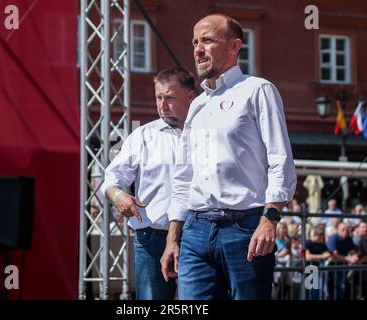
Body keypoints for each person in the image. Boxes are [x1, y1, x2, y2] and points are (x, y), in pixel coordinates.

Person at [160, 14, 297, 300]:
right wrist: (173, 238)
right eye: (195, 42)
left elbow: (280, 159)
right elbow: (185, 176)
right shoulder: (196, 105)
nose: (198, 49)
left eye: (208, 40)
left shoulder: (257, 90)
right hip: (196, 232)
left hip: (244, 228)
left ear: (234, 47)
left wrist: (270, 218)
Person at [101, 67, 195, 300]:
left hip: (197, 237)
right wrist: (118, 196)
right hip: (151, 238)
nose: (162, 104)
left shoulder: (207, 134)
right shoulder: (142, 135)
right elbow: (111, 178)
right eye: (158, 97)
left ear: (190, 96)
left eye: (170, 97)